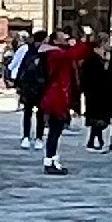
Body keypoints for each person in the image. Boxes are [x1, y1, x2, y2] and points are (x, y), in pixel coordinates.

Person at [31, 30, 86, 172]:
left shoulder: (51, 53)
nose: (66, 39)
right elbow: (74, 54)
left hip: (57, 95)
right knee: (54, 131)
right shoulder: (55, 54)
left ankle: (53, 160)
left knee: (56, 131)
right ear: (55, 41)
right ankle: (49, 162)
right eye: (63, 38)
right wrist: (81, 42)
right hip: (56, 97)